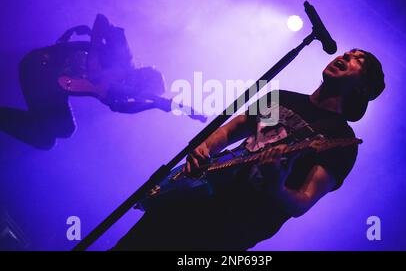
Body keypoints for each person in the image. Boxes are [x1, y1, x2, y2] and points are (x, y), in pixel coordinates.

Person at [112, 48, 385, 250]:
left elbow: (303, 201)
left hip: (229, 230)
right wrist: (203, 149)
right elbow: (232, 129)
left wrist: (276, 185)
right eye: (346, 53)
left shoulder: (340, 140)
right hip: (189, 197)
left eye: (356, 60)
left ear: (362, 87)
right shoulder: (281, 98)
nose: (345, 57)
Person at [0, 14, 165, 150]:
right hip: (39, 66)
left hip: (53, 87)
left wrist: (155, 104)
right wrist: (94, 54)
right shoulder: (123, 57)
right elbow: (102, 19)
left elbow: (124, 108)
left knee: (52, 137)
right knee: (50, 130)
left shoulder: (116, 95)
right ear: (142, 74)